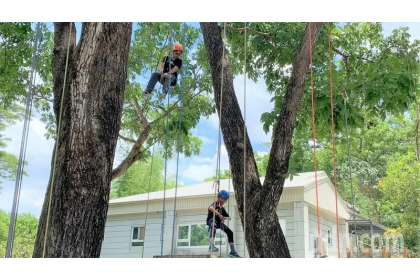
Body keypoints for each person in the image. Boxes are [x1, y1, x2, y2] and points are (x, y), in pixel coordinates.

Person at [207, 190, 242, 258]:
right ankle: (211, 245)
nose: (223, 200)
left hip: (218, 223)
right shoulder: (216, 204)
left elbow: (229, 218)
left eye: (225, 199)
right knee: (213, 226)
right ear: (218, 197)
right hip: (212, 220)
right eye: (222, 198)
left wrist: (223, 218)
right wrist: (219, 215)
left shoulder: (221, 208)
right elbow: (210, 208)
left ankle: (232, 251)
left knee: (230, 232)